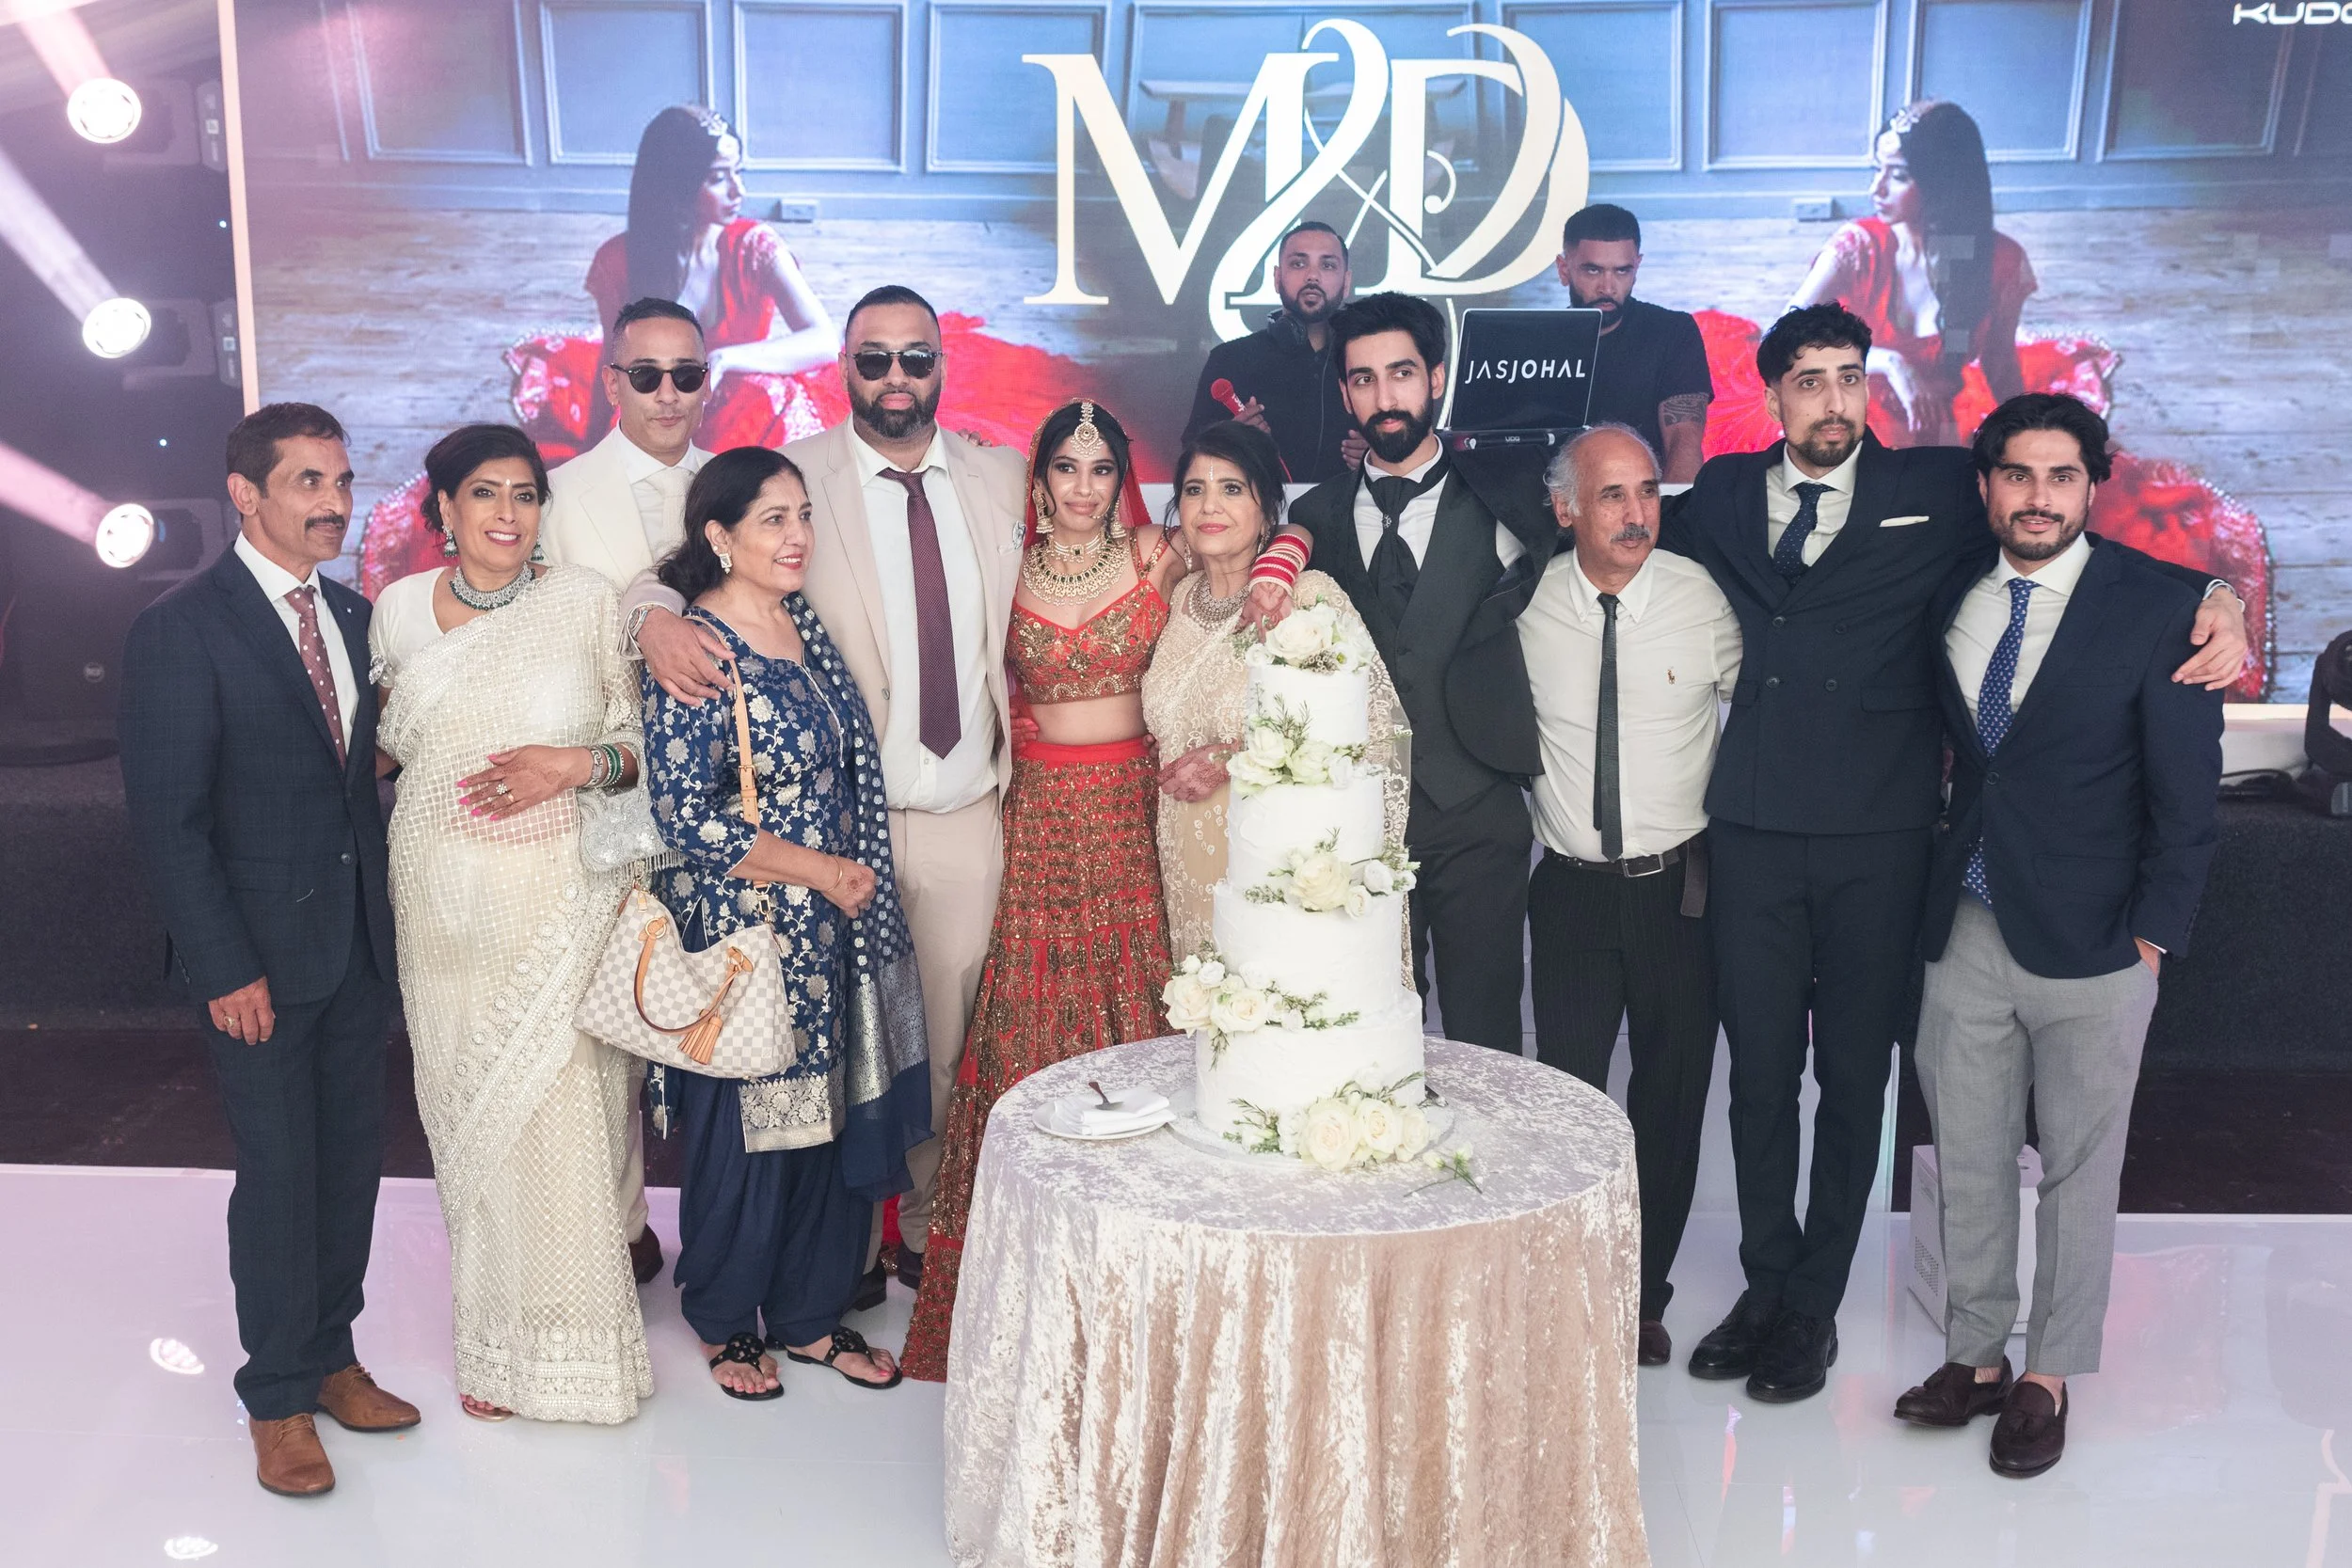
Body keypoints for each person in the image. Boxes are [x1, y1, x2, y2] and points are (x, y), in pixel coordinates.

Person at [631, 286, 1309, 1307]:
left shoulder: (999, 475)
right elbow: (690, 549)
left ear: (942, 366)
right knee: (834, 1036)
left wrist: (1289, 554)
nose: (895, 378)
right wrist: (649, 615)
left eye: (916, 359)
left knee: (951, 1035)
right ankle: (839, 1255)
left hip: (967, 809)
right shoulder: (798, 477)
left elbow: (1222, 548)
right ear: (844, 367)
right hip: (831, 821)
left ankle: (930, 1227)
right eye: (874, 360)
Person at [1662, 304, 2246, 1404]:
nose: (1833, 399)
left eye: (1848, 375)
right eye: (1808, 380)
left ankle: (1812, 1305)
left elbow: (2078, 548)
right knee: (1756, 1084)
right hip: (1747, 826)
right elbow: (1617, 525)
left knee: (1850, 1082)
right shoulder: (1730, 494)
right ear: (1773, 394)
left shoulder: (1940, 488)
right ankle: (1763, 1278)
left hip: (1883, 842)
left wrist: (2215, 596)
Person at [1894, 394, 2222, 1478]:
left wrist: (2154, 938)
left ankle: (2047, 1374)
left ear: (2093, 485)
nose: (2038, 496)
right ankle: (1976, 1355)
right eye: (2017, 475)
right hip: (1967, 922)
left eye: (2061, 476)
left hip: (2099, 940)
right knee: (1971, 1157)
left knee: (2081, 1166)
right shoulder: (1950, 590)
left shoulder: (2159, 606)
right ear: (1985, 486)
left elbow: (2187, 797)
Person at [119, 404, 418, 1496]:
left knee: (348, 1166)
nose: (334, 501)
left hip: (352, 951)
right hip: (254, 963)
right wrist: (223, 966)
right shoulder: (180, 627)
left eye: (341, 479)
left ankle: (334, 1356)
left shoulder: (351, 610)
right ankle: (279, 1396)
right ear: (247, 495)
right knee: (281, 1173)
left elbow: (355, 782)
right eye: (307, 482)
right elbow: (169, 820)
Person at [898, 399, 1194, 1379]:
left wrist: (1285, 557)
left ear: (1121, 478)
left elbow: (1266, 532)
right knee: (1027, 1027)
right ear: (1038, 477)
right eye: (1064, 466)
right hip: (1037, 819)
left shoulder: (1158, 555)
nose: (1080, 485)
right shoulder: (1006, 564)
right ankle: (1026, 1280)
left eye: (1100, 467)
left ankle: (1143, 1271)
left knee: (1133, 1018)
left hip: (1131, 819)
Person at [368, 424, 653, 1422]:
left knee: (570, 1120)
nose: (506, 513)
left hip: (560, 900)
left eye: (526, 494)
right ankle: (493, 1350)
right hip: (442, 907)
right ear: (440, 507)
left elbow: (637, 743)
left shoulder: (581, 602)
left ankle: (578, 1358)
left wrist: (571, 765)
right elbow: (386, 750)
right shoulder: (398, 611)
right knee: (472, 1127)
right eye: (483, 493)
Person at [639, 446, 930, 1399]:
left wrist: (839, 887)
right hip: (757, 928)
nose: (796, 533)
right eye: (771, 517)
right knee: (754, 1132)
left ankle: (810, 1315)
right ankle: (727, 1318)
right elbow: (687, 815)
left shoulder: (802, 623)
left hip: (834, 926)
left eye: (801, 513)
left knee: (826, 1123)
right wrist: (818, 871)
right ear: (718, 536)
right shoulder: (697, 648)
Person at [1517, 423, 1741, 1370]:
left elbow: (1776, 710)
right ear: (1565, 506)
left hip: (1678, 895)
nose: (1635, 512)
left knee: (1670, 1100)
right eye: (1611, 494)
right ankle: (1571, 1286)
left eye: (1647, 491)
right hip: (1567, 892)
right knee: (1568, 1106)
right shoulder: (1523, 606)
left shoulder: (1704, 602)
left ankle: (1641, 1295)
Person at [1287, 292, 1559, 1053]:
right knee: (1369, 1038)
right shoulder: (1316, 514)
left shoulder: (1512, 498)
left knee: (1487, 1037)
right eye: (1364, 379)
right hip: (1357, 822)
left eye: (1401, 373)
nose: (1384, 396)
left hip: (1478, 809)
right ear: (1344, 391)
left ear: (1436, 378)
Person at [525, 293, 718, 1285]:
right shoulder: (554, 499)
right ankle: (614, 1234)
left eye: (687, 374)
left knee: (722, 1010)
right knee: (602, 1032)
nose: (667, 393)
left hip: (722, 802)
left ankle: (728, 1240)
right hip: (602, 801)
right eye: (646, 374)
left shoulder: (736, 494)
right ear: (611, 382)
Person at [1143, 420, 1406, 958]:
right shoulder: (1180, 599)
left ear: (1267, 510)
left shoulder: (1306, 598)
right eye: (1195, 490)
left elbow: (1368, 738)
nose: (1209, 506)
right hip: (1186, 862)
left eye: (1232, 489)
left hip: (1274, 870)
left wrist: (1231, 756)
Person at [1788, 100, 2026, 450]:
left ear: (1945, 184)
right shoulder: (1859, 248)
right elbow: (1780, 335)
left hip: (1927, 425)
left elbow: (2000, 361)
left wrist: (2027, 431)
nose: (1876, 190)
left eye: (1898, 176)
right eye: (1876, 170)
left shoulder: (1998, 261)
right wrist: (1890, 363)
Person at [1184, 219, 1365, 483]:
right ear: (1277, 278)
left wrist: (1379, 457)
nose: (1312, 276)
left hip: (1352, 518)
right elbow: (1189, 453)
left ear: (1346, 282)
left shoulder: (1367, 363)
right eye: (1298, 264)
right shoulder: (1230, 359)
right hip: (1257, 520)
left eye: (1327, 265)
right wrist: (1229, 441)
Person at [1554, 204, 1713, 483]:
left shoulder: (1673, 332)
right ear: (1564, 269)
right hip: (1548, 509)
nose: (1607, 287)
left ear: (1637, 267)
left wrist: (1673, 516)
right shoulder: (1537, 339)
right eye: (1593, 271)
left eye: (1622, 271)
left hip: (1645, 509)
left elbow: (1683, 444)